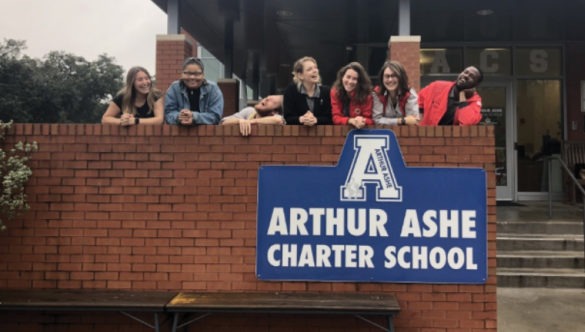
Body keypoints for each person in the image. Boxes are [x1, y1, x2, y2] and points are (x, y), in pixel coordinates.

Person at [164, 57, 224, 125]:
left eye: (196, 74)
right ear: (182, 74)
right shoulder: (174, 88)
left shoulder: (213, 89)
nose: (192, 77)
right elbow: (168, 115)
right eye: (188, 73)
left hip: (206, 134)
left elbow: (215, 117)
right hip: (180, 134)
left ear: (203, 75)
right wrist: (179, 117)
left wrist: (194, 117)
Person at [418, 66, 483, 126]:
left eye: (471, 76)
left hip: (451, 137)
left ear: (476, 84)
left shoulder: (475, 101)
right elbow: (418, 103)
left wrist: (463, 97)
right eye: (465, 72)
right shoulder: (437, 86)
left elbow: (467, 123)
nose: (466, 76)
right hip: (427, 135)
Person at [283, 56, 332, 126]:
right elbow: (287, 118)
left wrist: (316, 120)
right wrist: (301, 119)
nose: (315, 71)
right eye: (309, 69)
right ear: (300, 75)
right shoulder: (291, 91)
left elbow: (330, 118)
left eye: (316, 68)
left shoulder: (327, 92)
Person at [373, 61, 419, 126]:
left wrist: (386, 121)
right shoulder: (377, 94)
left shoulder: (409, 94)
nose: (390, 80)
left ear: (401, 77)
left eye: (394, 76)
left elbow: (413, 122)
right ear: (382, 79)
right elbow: (377, 120)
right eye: (387, 76)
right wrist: (401, 120)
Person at [330, 62, 374, 129]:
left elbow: (371, 120)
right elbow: (336, 118)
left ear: (359, 82)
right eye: (348, 77)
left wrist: (362, 120)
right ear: (342, 77)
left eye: (354, 79)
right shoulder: (335, 92)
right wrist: (350, 121)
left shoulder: (367, 95)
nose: (350, 81)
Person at [220, 95, 284, 136]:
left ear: (275, 112)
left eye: (271, 101)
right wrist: (239, 121)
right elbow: (223, 122)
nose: (266, 99)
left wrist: (251, 121)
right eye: (266, 98)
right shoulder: (249, 111)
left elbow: (278, 120)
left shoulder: (275, 119)